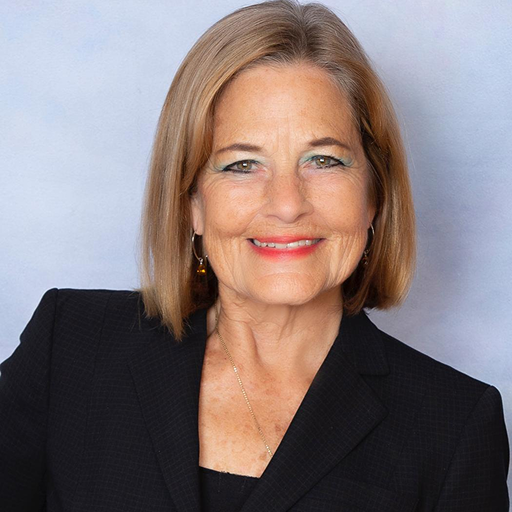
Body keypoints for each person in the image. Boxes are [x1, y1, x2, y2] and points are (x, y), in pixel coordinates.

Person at [0, 0, 509, 510]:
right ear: (192, 203)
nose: (287, 205)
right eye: (242, 165)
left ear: (374, 195)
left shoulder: (453, 428)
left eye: (323, 160)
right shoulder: (71, 349)